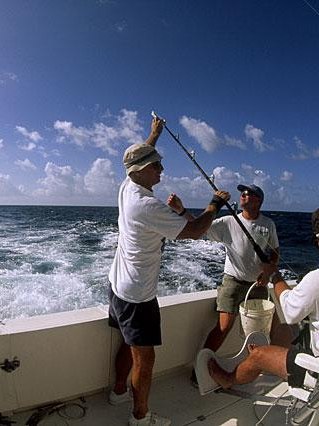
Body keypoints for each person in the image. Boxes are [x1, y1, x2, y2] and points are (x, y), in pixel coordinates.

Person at [108, 115, 230, 426]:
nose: (162, 169)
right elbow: (194, 231)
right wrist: (214, 203)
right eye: (157, 166)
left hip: (118, 285)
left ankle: (118, 390)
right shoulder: (147, 206)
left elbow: (141, 156)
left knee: (127, 341)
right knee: (145, 361)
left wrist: (154, 134)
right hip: (138, 295)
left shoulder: (127, 185)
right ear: (141, 171)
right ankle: (139, 418)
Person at [208, 204, 319, 390]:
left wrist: (274, 274)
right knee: (285, 330)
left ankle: (229, 379)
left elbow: (289, 310)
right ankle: (272, 359)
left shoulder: (318, 279)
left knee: (258, 356)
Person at [196, 183, 293, 366]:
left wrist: (267, 273)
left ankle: (274, 363)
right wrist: (182, 211)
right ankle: (201, 366)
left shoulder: (268, 224)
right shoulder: (227, 222)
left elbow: (275, 252)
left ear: (258, 201)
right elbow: (200, 228)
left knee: (268, 327)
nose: (243, 196)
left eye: (249, 194)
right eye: (242, 193)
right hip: (233, 282)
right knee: (224, 327)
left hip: (258, 284)